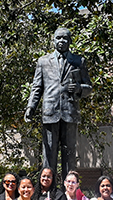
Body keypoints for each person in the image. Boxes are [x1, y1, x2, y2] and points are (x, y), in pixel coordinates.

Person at [25, 27, 93, 179]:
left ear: (70, 41)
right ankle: (48, 193)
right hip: (50, 112)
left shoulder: (78, 61)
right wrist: (31, 107)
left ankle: (69, 194)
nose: (61, 41)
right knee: (49, 155)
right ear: (53, 40)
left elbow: (89, 87)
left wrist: (78, 88)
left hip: (70, 113)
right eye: (58, 38)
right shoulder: (43, 61)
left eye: (65, 38)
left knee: (69, 156)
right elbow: (37, 87)